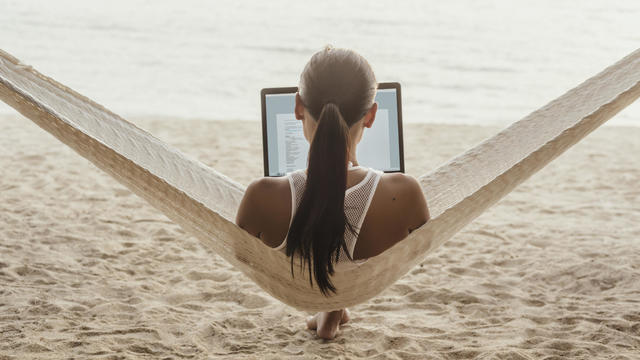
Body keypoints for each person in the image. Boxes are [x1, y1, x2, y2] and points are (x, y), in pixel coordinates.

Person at [236, 45, 429, 340]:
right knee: (343, 268)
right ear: (372, 115)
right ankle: (333, 308)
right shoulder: (405, 194)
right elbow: (418, 251)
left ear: (298, 106)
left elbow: (243, 255)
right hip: (361, 274)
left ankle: (330, 309)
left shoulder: (261, 196)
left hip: (302, 282)